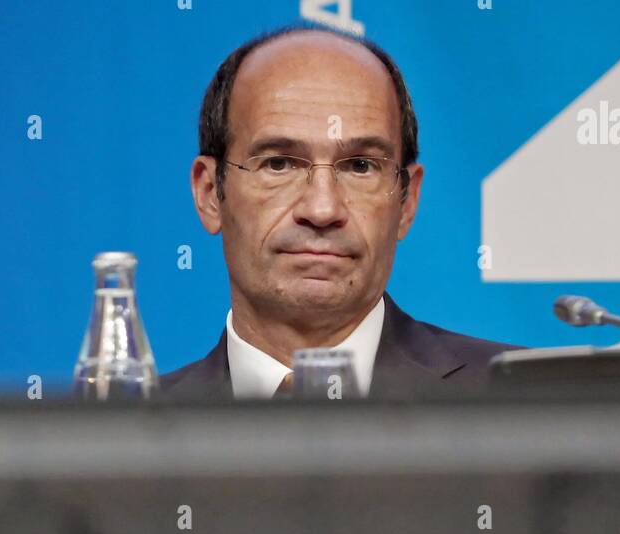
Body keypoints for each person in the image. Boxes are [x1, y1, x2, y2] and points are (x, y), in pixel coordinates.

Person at [160, 25, 516, 402]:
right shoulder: (119, 442)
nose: (322, 209)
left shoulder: (527, 408)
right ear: (210, 193)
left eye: (360, 166)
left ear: (407, 201)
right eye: (279, 164)